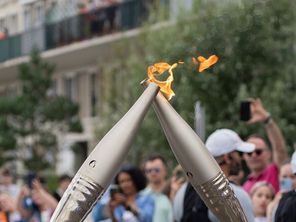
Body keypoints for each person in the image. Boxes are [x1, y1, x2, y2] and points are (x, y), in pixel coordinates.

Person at [174, 129, 255, 222]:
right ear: (227, 157)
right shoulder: (235, 194)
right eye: (240, 153)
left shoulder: (182, 192)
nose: (243, 158)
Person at [243, 98, 287, 193]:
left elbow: (279, 149)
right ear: (244, 156)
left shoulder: (276, 171)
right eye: (249, 153)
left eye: (258, 152)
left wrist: (267, 120)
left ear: (269, 154)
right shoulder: (245, 185)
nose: (254, 155)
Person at [142, 155, 173, 222]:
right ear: (145, 173)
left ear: (165, 171)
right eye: (149, 170)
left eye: (157, 170)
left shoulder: (174, 192)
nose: (153, 173)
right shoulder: (141, 196)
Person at [273, 151, 296, 222]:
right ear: (279, 177)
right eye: (284, 177)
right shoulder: (274, 199)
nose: (288, 181)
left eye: (292, 177)